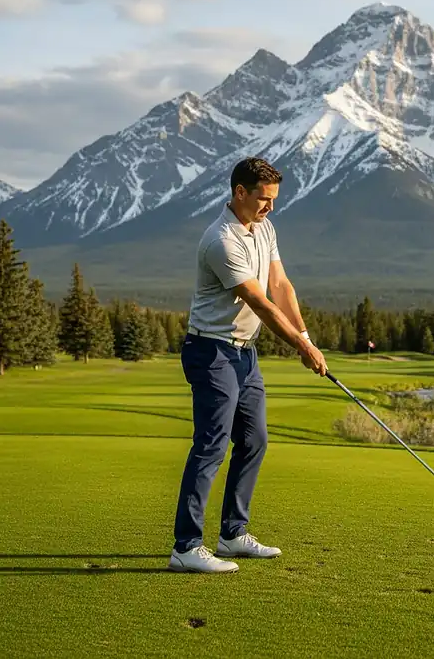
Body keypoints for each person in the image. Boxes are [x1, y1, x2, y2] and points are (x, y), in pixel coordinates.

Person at [168, 157, 327, 574]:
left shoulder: (264, 228)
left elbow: (281, 285)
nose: (269, 207)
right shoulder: (221, 241)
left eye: (274, 199)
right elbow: (259, 300)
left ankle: (232, 534)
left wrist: (305, 335)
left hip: (245, 354)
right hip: (211, 353)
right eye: (263, 198)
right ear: (240, 192)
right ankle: (185, 547)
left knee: (254, 439)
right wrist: (301, 348)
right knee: (212, 444)